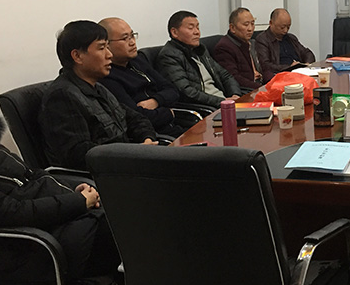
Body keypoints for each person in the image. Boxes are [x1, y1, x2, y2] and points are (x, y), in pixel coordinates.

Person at [0, 68, 120, 285]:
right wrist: (77, 202)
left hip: (48, 230)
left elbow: (30, 175)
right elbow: (8, 212)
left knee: (129, 213)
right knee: (133, 230)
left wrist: (71, 192)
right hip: (25, 252)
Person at [40, 21, 158, 171]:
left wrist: (147, 139)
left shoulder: (98, 87)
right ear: (77, 56)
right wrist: (132, 154)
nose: (109, 55)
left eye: (108, 47)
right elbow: (79, 155)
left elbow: (135, 118)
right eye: (102, 48)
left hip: (128, 163)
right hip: (108, 175)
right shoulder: (62, 96)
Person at [98, 17, 195, 138]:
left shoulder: (138, 60)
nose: (132, 42)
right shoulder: (107, 76)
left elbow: (172, 90)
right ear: (107, 45)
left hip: (175, 125)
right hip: (156, 136)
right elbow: (137, 117)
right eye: (125, 38)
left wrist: (156, 101)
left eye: (132, 35)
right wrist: (168, 113)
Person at [156, 10, 241, 109]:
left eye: (197, 27)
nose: (197, 32)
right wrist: (222, 102)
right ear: (174, 32)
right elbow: (186, 92)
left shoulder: (200, 50)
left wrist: (235, 94)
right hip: (208, 107)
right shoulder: (169, 56)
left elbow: (225, 75)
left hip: (223, 101)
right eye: (191, 28)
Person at [254, 8, 315, 82]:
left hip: (300, 73)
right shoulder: (262, 40)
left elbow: (307, 53)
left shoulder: (291, 38)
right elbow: (265, 65)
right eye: (282, 27)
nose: (285, 30)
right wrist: (289, 67)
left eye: (288, 27)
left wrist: (306, 64)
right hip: (281, 76)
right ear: (271, 23)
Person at [213, 8, 263, 93]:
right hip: (247, 91)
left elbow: (264, 67)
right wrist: (263, 88)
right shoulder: (224, 47)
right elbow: (234, 79)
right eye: (246, 24)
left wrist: (273, 83)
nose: (250, 29)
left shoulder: (252, 43)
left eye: (252, 23)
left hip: (259, 86)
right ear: (232, 28)